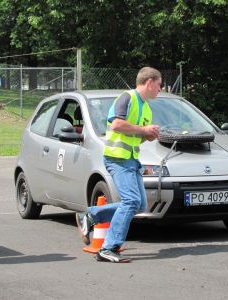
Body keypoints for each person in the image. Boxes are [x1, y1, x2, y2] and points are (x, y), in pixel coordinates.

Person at [76, 67, 161, 263]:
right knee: (131, 202)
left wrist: (147, 136)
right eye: (159, 84)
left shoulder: (146, 107)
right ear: (149, 82)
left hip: (131, 160)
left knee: (139, 204)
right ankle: (108, 247)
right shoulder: (127, 98)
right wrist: (143, 129)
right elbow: (116, 125)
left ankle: (91, 216)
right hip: (117, 158)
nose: (160, 88)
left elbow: (134, 137)